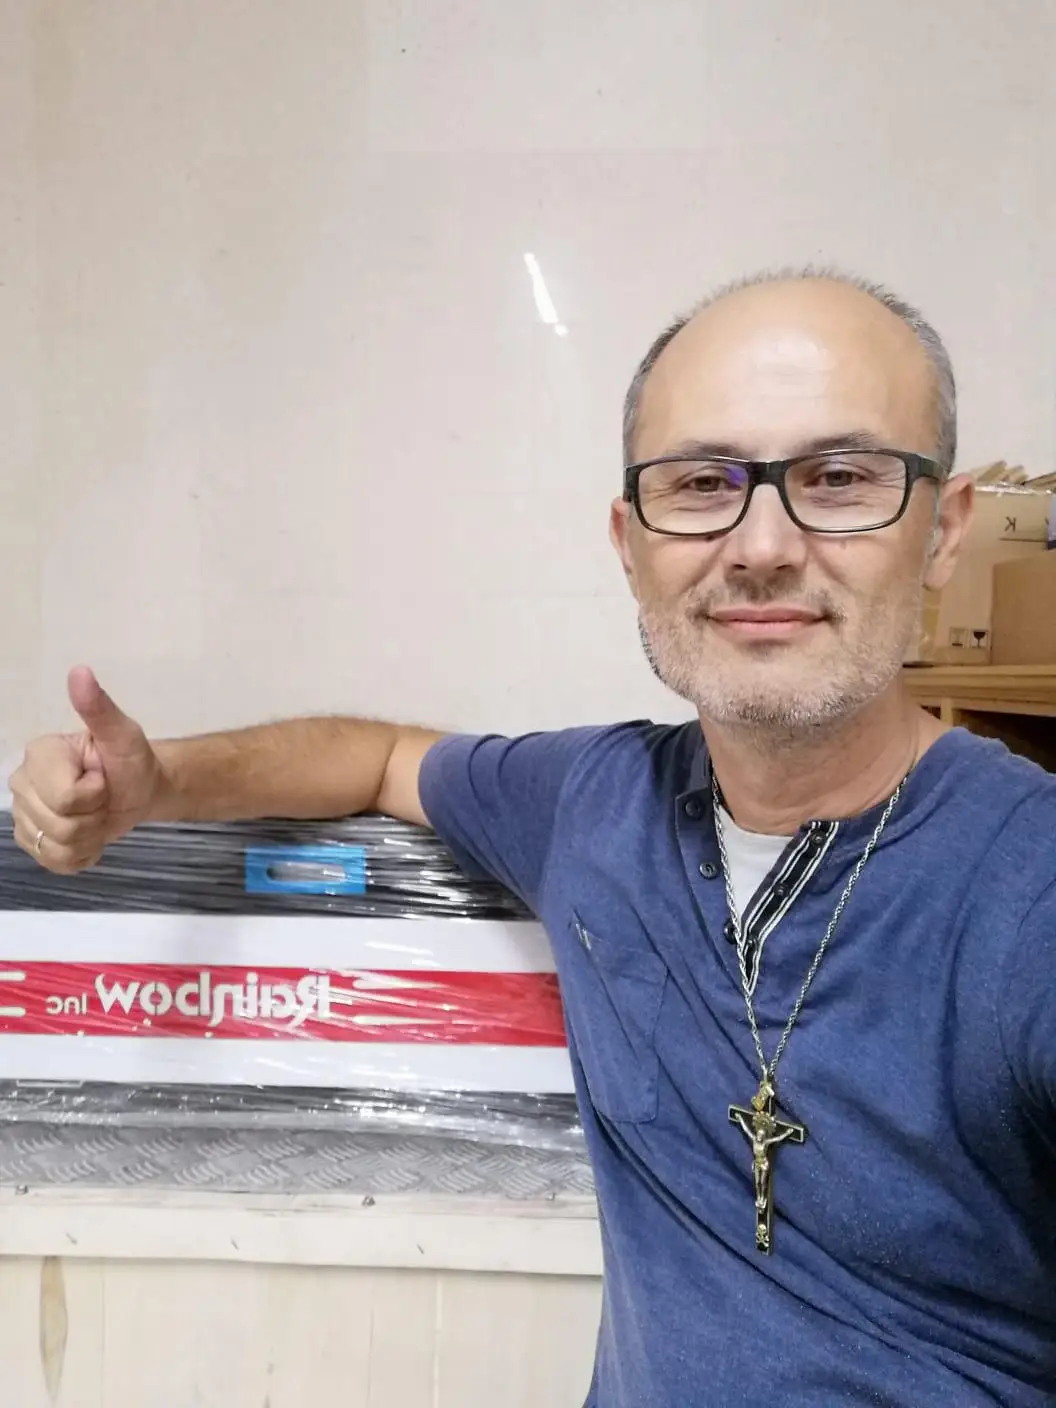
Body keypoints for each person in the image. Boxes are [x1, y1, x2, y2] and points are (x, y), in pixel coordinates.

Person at [10, 270, 1056, 1407]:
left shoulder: (1027, 887)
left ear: (944, 530)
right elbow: (379, 755)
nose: (762, 543)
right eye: (702, 483)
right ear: (629, 541)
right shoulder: (592, 804)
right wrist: (156, 783)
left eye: (839, 478)